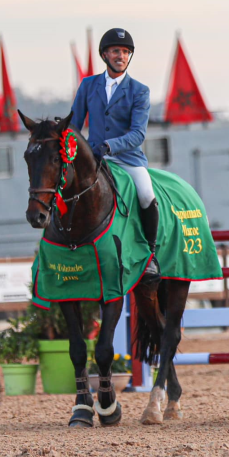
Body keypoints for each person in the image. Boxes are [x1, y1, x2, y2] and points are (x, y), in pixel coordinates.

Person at [71, 28, 158, 284]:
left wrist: (109, 146)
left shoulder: (139, 91)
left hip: (127, 158)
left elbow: (138, 134)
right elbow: (75, 124)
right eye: (116, 51)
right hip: (94, 158)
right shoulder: (88, 85)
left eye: (125, 52)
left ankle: (151, 254)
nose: (121, 56)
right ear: (104, 55)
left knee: (146, 195)